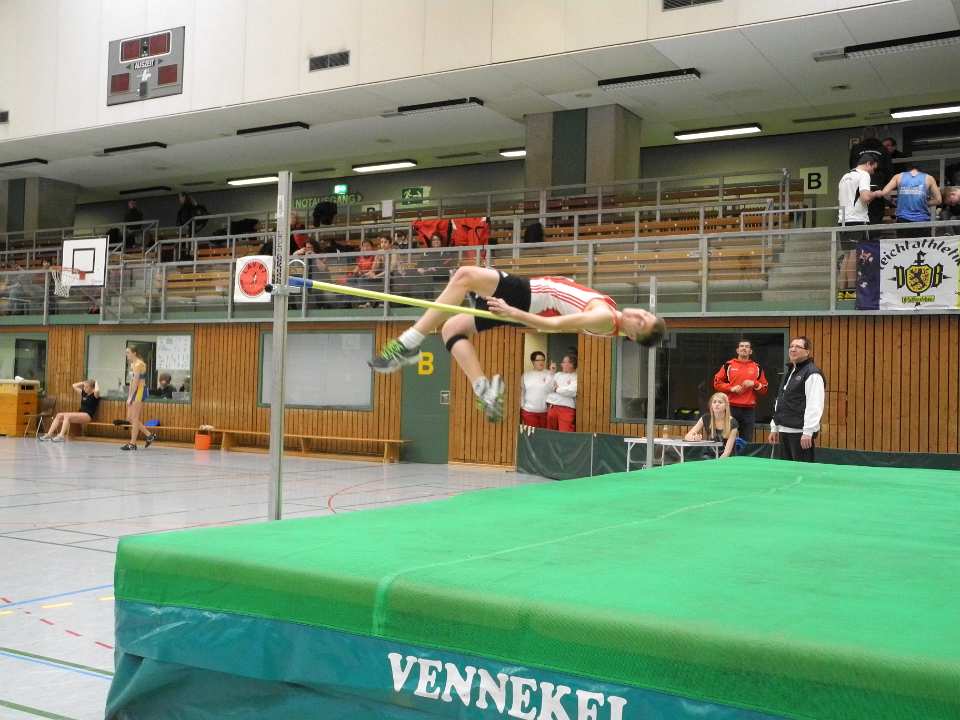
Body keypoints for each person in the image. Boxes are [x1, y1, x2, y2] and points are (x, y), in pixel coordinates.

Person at [369, 268, 665, 422]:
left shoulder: (604, 317)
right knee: (451, 329)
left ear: (631, 336)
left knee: (464, 276)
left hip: (529, 297)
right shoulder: (610, 315)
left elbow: (552, 326)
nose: (640, 315)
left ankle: (409, 342)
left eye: (641, 323)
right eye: (646, 314)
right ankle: (483, 389)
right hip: (530, 303)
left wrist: (513, 312)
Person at [769, 337, 825, 463]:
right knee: (786, 471)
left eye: (798, 347)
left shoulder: (812, 373)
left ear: (807, 352)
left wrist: (808, 431)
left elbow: (815, 404)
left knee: (802, 471)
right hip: (783, 431)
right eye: (791, 346)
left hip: (800, 434)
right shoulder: (789, 372)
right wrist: (775, 427)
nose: (793, 349)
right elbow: (781, 401)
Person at [837, 152, 884, 293]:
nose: (873, 172)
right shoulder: (864, 175)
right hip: (856, 219)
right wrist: (876, 194)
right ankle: (852, 290)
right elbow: (865, 197)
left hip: (843, 220)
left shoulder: (844, 176)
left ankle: (843, 290)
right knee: (854, 255)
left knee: (847, 255)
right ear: (869, 163)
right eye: (873, 168)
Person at [712, 339, 768, 443]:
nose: (744, 348)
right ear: (737, 350)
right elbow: (716, 383)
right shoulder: (728, 365)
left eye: (747, 346)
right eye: (741, 346)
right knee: (724, 440)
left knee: (746, 442)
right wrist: (731, 388)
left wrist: (754, 383)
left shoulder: (757, 367)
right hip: (730, 408)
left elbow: (764, 389)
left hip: (749, 410)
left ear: (750, 351)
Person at [881, 163, 942, 237]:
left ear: (908, 170)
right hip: (922, 220)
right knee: (923, 244)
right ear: (920, 171)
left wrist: (893, 201)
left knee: (904, 244)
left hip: (903, 220)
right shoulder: (929, 178)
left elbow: (884, 193)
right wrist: (924, 203)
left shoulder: (898, 176)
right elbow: (938, 200)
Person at [684, 392, 739, 459]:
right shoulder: (705, 418)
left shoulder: (733, 422)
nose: (717, 404)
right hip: (709, 456)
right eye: (714, 402)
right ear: (711, 405)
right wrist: (693, 438)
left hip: (726, 459)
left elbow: (727, 452)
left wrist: (716, 463)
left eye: (720, 402)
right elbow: (687, 436)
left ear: (726, 406)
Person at [123, 346, 157, 451]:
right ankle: (149, 435)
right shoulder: (132, 364)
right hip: (134, 391)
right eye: (126, 353)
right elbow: (131, 382)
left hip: (140, 391)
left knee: (134, 418)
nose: (126, 355)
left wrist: (131, 397)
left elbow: (136, 381)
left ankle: (132, 444)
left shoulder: (139, 364)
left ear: (134, 353)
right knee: (130, 418)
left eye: (128, 352)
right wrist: (129, 396)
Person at [519, 351, 553, 427]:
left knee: (544, 433)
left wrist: (552, 374)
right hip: (529, 411)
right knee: (532, 433)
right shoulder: (526, 375)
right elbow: (522, 391)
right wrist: (522, 406)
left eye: (543, 360)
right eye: (538, 360)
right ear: (533, 362)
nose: (541, 362)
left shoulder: (549, 374)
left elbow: (553, 390)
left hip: (545, 412)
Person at [545, 354, 578, 431]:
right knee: (551, 433)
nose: (561, 364)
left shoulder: (576, 377)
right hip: (552, 407)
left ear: (571, 364)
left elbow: (571, 391)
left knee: (564, 433)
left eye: (563, 362)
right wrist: (551, 373)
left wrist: (557, 389)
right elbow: (547, 387)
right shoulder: (557, 375)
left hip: (566, 409)